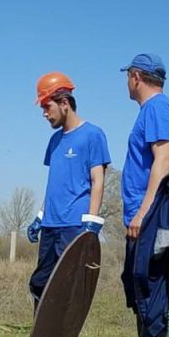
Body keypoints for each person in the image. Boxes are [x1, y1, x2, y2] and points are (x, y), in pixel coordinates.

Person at [26, 71, 110, 306]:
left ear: (64, 103)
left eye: (46, 106)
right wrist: (40, 216)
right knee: (40, 283)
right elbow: (54, 184)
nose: (44, 114)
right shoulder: (54, 141)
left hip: (73, 225)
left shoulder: (93, 135)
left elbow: (98, 181)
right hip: (50, 225)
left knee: (67, 287)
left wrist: (91, 223)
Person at [119, 53, 169, 324]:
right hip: (146, 217)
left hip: (153, 219)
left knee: (151, 293)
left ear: (136, 77)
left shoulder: (157, 108)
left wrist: (144, 213)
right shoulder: (154, 109)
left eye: (127, 77)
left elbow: (164, 160)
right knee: (138, 286)